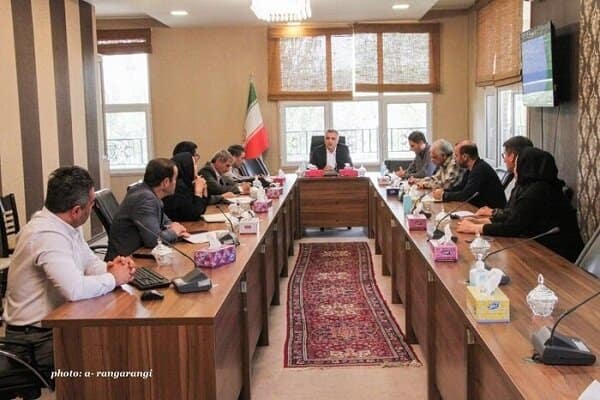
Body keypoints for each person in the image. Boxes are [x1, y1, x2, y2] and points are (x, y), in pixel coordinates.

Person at [3, 166, 135, 376]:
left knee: (121, 342)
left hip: (52, 326)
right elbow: (74, 290)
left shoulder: (65, 224)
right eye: (92, 203)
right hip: (33, 340)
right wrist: (113, 278)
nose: (93, 207)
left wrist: (110, 268)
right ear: (76, 211)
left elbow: (88, 262)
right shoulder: (46, 235)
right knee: (115, 356)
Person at [457, 147, 584, 262]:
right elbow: (515, 215)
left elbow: (512, 227)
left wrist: (474, 228)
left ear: (527, 166)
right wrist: (482, 221)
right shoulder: (535, 186)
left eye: (518, 164)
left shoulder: (537, 191)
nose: (515, 169)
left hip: (559, 258)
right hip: (543, 250)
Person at [107, 158, 189, 260]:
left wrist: (173, 226)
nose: (176, 182)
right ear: (166, 182)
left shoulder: (145, 191)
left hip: (138, 254)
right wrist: (173, 232)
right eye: (175, 179)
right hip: (126, 261)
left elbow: (164, 220)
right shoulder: (145, 199)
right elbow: (153, 240)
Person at [432, 143, 506, 209]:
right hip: (479, 209)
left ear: (465, 157)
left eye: (456, 156)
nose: (454, 159)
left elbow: (466, 195)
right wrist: (444, 191)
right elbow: (460, 187)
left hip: (492, 214)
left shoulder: (479, 170)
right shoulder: (471, 168)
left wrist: (444, 195)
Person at [164, 152, 227, 221]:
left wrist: (204, 192)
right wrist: (198, 192)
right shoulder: (178, 186)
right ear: (187, 166)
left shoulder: (187, 184)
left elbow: (201, 210)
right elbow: (193, 215)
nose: (196, 167)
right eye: (194, 164)